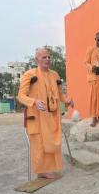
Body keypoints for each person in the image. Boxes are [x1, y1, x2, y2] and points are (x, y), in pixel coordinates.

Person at [17, 48, 74, 179]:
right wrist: (34, 102)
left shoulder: (55, 75)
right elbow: (20, 96)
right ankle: (41, 171)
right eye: (44, 57)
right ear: (36, 59)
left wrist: (67, 101)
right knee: (39, 144)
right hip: (36, 116)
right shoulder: (30, 74)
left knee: (51, 143)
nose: (47, 59)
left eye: (48, 57)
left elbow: (60, 94)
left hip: (52, 116)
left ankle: (50, 168)